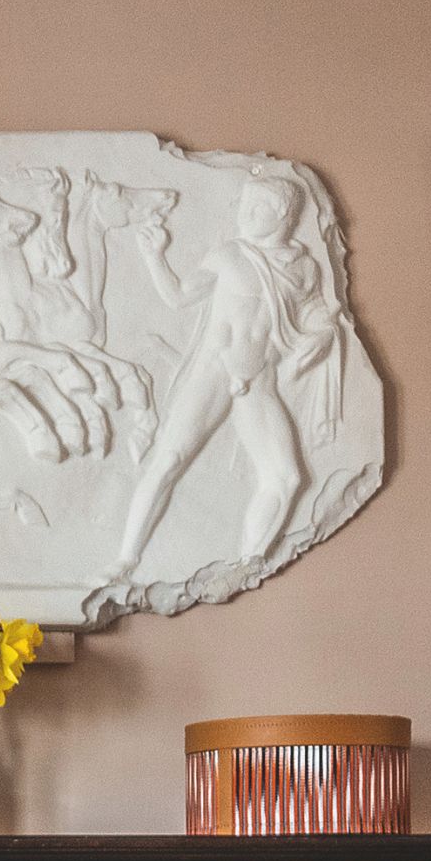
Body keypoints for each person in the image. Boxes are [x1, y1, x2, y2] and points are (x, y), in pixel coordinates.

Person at [107, 176, 342, 582]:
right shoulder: (230, 254)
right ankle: (125, 560)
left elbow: (313, 316)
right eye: (243, 205)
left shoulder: (304, 269)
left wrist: (322, 331)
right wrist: (154, 255)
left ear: (284, 213)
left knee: (286, 477)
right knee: (169, 460)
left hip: (258, 380)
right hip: (214, 373)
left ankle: (248, 563)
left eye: (257, 207)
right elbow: (178, 296)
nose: (244, 214)